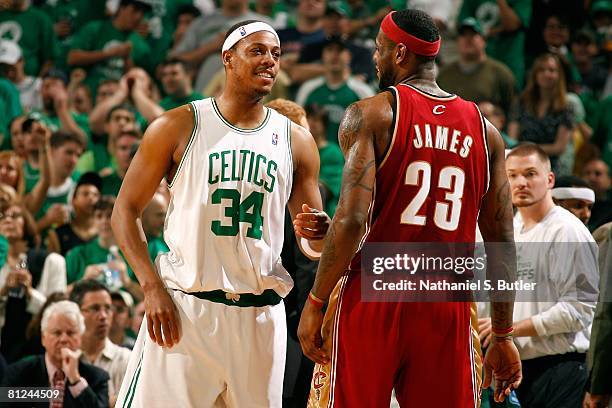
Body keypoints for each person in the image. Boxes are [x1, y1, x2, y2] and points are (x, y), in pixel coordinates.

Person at [297, 9, 521, 407]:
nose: (375, 57)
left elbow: (352, 221)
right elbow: (502, 237)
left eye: (380, 49)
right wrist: (502, 335)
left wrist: (315, 302)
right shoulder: (486, 131)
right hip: (445, 301)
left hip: (374, 294)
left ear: (400, 53)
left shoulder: (371, 114)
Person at [112, 19, 329, 407]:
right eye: (257, 50)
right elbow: (124, 211)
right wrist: (150, 287)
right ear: (227, 58)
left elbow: (311, 245)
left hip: (259, 318)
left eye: (276, 54)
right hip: (185, 312)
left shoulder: (296, 141)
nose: (269, 61)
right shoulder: (177, 124)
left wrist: (318, 234)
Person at [501, 144, 599, 407]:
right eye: (512, 175)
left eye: (530, 174)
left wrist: (508, 330)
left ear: (550, 179)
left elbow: (578, 310)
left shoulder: (567, 230)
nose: (521, 182)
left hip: (560, 368)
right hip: (517, 368)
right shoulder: (510, 229)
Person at [0, 300, 109, 408]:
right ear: (43, 338)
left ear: (80, 338)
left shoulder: (97, 378)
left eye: (71, 333)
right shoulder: (19, 373)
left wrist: (75, 380)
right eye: (57, 333)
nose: (64, 339)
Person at [70, 279, 131, 407]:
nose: (103, 316)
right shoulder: (64, 359)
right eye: (95, 308)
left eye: (108, 308)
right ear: (76, 313)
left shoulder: (127, 359)